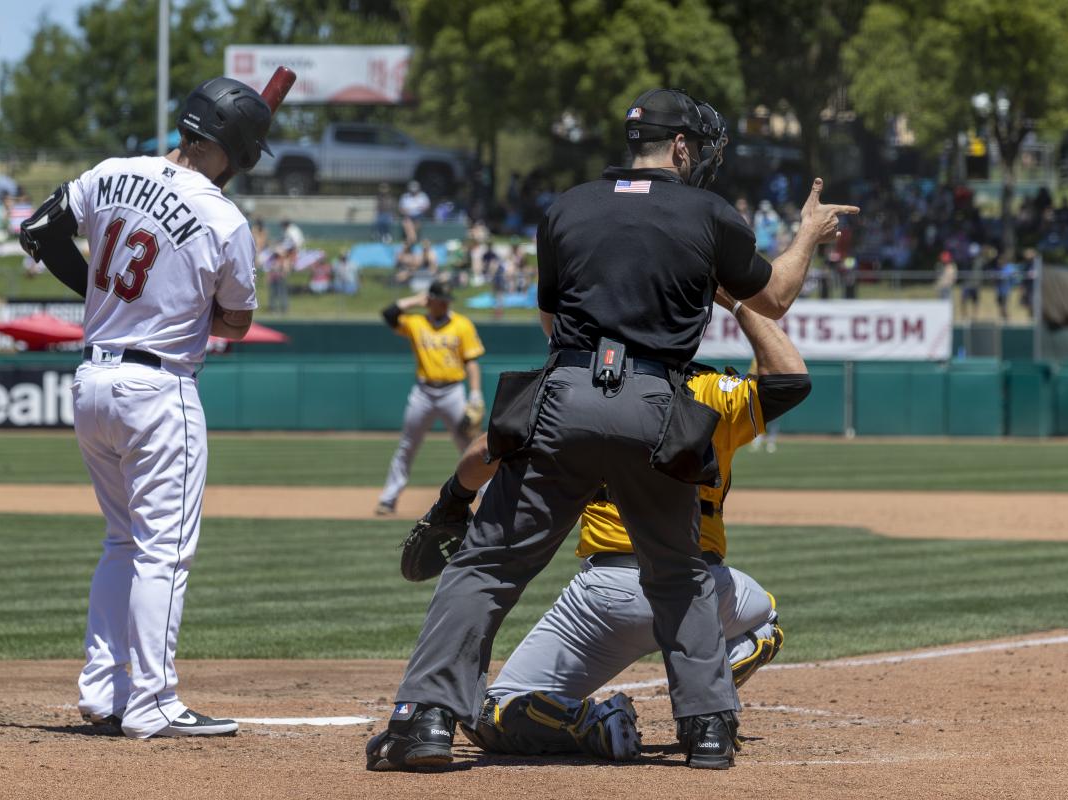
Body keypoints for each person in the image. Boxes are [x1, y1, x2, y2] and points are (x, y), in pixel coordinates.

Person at [365, 87, 856, 772]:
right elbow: (772, 298)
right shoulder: (708, 211)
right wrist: (807, 233)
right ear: (681, 147)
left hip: (564, 393)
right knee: (678, 571)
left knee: (484, 565)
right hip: (657, 402)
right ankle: (708, 730)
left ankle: (426, 722)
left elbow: (547, 324)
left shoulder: (566, 206)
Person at [406, 287, 810, 759]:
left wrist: (452, 501)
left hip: (605, 597)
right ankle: (728, 660)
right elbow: (788, 379)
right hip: (701, 593)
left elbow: (481, 454)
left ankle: (598, 726)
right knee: (765, 614)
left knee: (496, 708)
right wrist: (739, 303)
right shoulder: (709, 392)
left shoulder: (570, 388)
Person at [18, 76, 272, 739]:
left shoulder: (112, 172)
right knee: (163, 552)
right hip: (159, 391)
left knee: (122, 542)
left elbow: (40, 229)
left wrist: (99, 298)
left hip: (93, 380)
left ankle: (105, 693)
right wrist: (187, 302)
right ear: (237, 148)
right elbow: (239, 321)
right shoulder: (223, 216)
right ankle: (154, 700)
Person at [376, 278, 484, 515]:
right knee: (407, 445)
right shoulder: (416, 323)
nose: (446, 304)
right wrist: (417, 300)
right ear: (430, 301)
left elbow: (472, 362)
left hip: (453, 392)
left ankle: (489, 497)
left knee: (470, 445)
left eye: (447, 300)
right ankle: (388, 498)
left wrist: (475, 395)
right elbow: (388, 314)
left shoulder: (462, 324)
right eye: (441, 300)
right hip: (423, 393)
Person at [398, 180, 430, 247]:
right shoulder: (405, 196)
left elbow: (427, 206)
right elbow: (401, 209)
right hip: (408, 216)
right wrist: (406, 211)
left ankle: (410, 240)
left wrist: (420, 209)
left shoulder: (423, 196)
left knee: (416, 222)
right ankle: (413, 239)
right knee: (407, 223)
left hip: (419, 215)